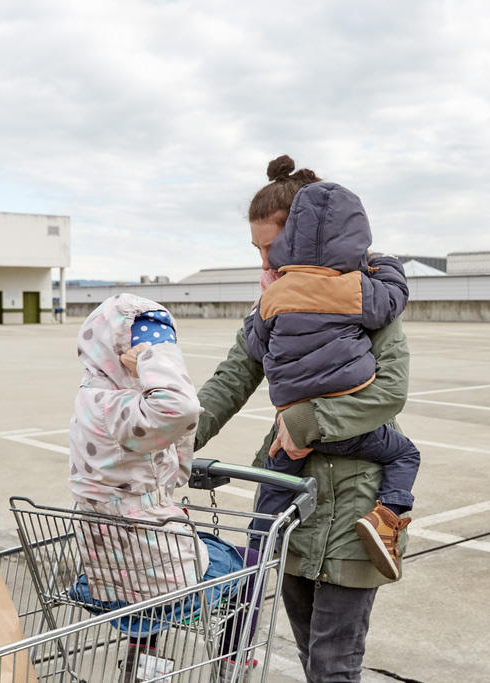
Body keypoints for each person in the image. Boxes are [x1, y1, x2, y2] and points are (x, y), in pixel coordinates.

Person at [194, 155, 412, 682]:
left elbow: (389, 389)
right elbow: (231, 378)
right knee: (312, 660)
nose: (265, 261)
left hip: (357, 508)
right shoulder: (271, 306)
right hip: (290, 502)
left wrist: (306, 422)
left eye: (272, 247)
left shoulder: (361, 302)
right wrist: (171, 437)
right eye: (257, 250)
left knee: (335, 667)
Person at [244, 179, 420, 580]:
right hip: (349, 420)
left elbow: (255, 348)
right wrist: (384, 264)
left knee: (278, 469)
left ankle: (258, 541)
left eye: (269, 248)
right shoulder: (357, 289)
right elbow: (394, 297)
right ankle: (388, 517)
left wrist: (262, 311)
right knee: (405, 454)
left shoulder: (274, 295)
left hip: (292, 419)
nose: (264, 261)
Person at [68, 293, 250, 680]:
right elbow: (180, 409)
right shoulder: (121, 408)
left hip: (108, 572)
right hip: (153, 567)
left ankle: (141, 655)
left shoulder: (92, 398)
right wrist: (157, 358)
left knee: (157, 576)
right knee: (247, 563)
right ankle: (232, 661)